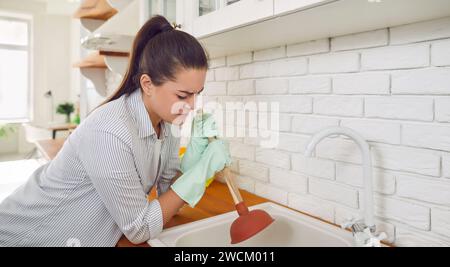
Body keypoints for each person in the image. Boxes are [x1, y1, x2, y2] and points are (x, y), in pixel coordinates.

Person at [0, 15, 230, 247]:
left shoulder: (167, 125)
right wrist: (201, 171)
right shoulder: (110, 132)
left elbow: (167, 197)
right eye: (183, 95)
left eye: (197, 93)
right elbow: (139, 228)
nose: (192, 105)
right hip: (23, 237)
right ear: (147, 85)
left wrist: (193, 162)